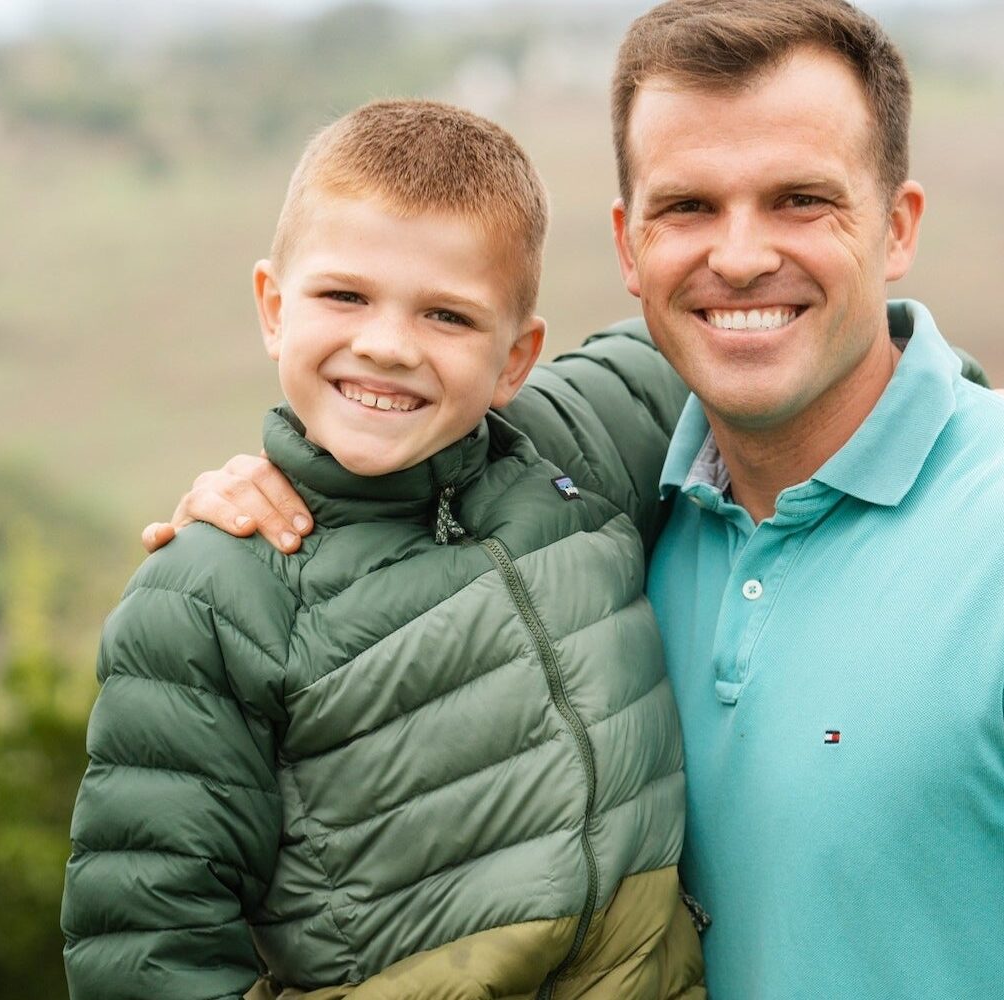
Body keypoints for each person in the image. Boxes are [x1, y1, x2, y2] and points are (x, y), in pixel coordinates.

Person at [154, 1, 1004, 996]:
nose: (738, 257)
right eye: (688, 205)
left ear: (896, 227)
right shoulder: (604, 513)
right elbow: (409, 451)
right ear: (627, 244)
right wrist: (251, 526)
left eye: (800, 200)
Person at [60, 99, 710, 1000]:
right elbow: (146, 947)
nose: (388, 346)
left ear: (516, 359)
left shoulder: (570, 450)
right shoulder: (209, 597)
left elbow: (760, 331)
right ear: (273, 308)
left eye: (448, 316)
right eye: (344, 296)